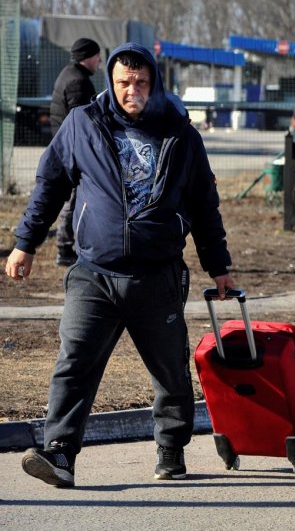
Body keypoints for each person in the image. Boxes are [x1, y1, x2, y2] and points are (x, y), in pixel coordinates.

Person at [4, 44, 237, 487]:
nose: (132, 91)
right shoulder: (83, 124)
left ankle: (170, 449)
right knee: (74, 363)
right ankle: (60, 455)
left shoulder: (181, 134)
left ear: (155, 83)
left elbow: (205, 205)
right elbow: (50, 185)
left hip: (157, 275)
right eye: (123, 83)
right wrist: (25, 243)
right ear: (110, 83)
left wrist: (218, 264)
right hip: (94, 272)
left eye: (141, 83)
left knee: (169, 369)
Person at [48, 37, 102, 267]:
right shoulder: (78, 82)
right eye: (98, 57)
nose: (100, 61)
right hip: (74, 150)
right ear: (88, 57)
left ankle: (67, 244)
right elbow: (85, 123)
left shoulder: (68, 74)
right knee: (74, 197)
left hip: (67, 147)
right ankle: (65, 246)